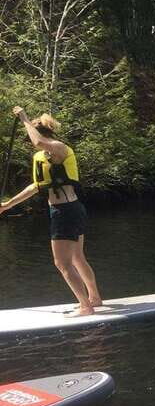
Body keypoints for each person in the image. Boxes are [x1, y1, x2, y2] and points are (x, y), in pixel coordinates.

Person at [0, 107, 102, 316]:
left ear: (41, 134)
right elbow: (36, 187)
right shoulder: (41, 157)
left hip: (65, 211)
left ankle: (85, 307)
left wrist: (23, 117)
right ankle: (94, 298)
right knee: (77, 259)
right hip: (71, 210)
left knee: (62, 263)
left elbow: (38, 142)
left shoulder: (59, 147)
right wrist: (8, 204)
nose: (32, 144)